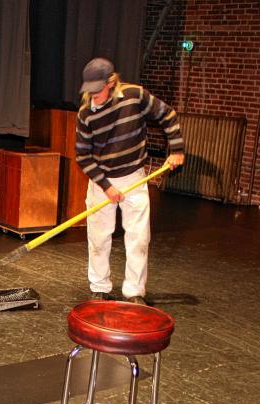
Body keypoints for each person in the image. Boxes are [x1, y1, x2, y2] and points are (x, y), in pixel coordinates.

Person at [75, 57, 185, 305]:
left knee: (138, 237)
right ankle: (99, 287)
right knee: (98, 237)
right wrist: (107, 186)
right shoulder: (85, 115)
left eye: (98, 90)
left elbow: (167, 114)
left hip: (133, 177)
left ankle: (134, 291)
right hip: (101, 182)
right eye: (89, 91)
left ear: (111, 82)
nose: (95, 96)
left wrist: (176, 148)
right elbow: (83, 156)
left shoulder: (135, 96)